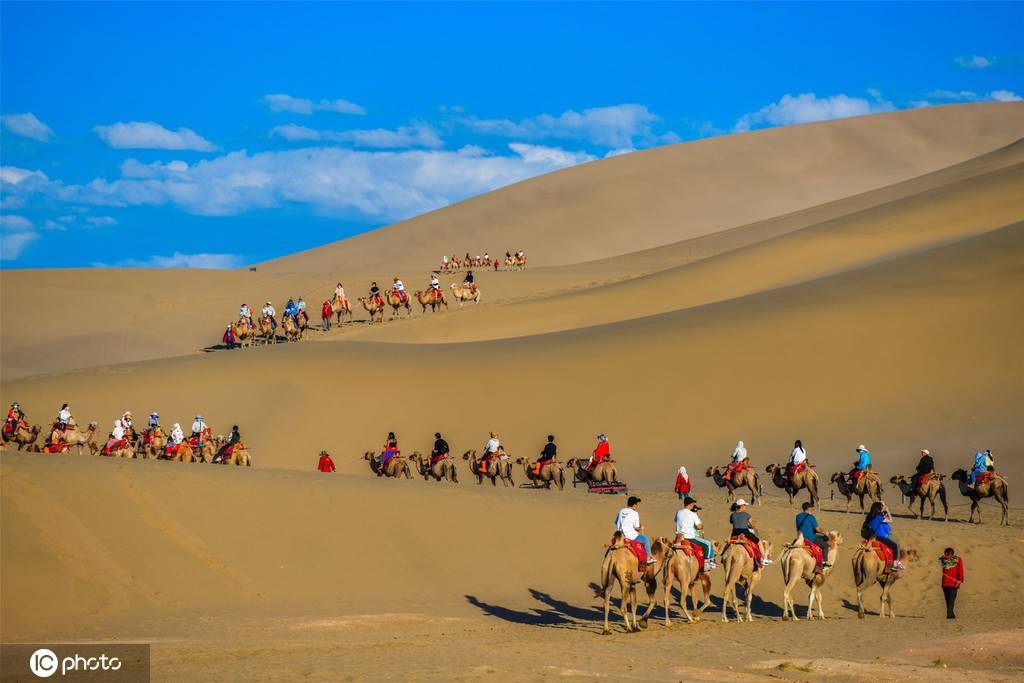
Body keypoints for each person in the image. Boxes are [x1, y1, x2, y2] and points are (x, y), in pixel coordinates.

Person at [675, 496, 715, 570]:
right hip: (689, 537)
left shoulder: (678, 512)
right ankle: (708, 566)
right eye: (693, 503)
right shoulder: (693, 514)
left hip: (678, 536)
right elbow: (699, 527)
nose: (693, 505)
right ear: (690, 504)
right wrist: (701, 526)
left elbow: (676, 521)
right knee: (708, 544)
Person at [862, 501, 903, 571]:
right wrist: (887, 510)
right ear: (879, 509)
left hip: (865, 533)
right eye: (882, 506)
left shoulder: (870, 515)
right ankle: (895, 565)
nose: (883, 507)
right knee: (896, 545)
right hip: (878, 535)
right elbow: (890, 520)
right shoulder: (880, 517)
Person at [730, 499, 769, 568]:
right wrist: (750, 525)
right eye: (744, 505)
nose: (745, 506)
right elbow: (753, 525)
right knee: (759, 542)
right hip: (745, 532)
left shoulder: (732, 515)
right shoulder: (746, 514)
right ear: (741, 506)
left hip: (734, 533)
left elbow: (733, 522)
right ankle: (764, 559)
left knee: (729, 543)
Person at [615, 496, 654, 563]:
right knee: (645, 539)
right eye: (637, 504)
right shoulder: (635, 513)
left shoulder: (620, 511)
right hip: (630, 536)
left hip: (619, 536)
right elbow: (637, 528)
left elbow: (616, 522)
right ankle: (649, 557)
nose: (637, 506)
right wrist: (641, 528)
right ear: (634, 505)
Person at [795, 502, 828, 573]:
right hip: (810, 539)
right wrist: (824, 531)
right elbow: (818, 530)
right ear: (809, 509)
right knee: (825, 545)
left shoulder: (797, 516)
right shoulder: (811, 517)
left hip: (800, 538)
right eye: (812, 509)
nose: (812, 510)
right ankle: (823, 564)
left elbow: (798, 528)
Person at [939, 547, 964, 619]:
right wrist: (944, 557)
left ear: (952, 554)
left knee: (952, 599)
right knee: (948, 599)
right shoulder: (944, 560)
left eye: (948, 554)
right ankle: (951, 613)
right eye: (946, 553)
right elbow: (941, 559)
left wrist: (960, 579)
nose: (947, 555)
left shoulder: (958, 560)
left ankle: (949, 614)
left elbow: (960, 570)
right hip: (945, 583)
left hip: (954, 583)